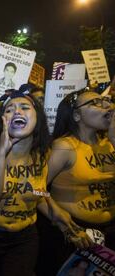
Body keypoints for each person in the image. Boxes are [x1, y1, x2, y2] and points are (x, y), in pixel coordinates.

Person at [0, 90, 75, 276]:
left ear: (37, 117)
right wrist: (2, 153)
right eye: (10, 109)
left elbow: (38, 190)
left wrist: (53, 208)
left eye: (25, 107)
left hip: (24, 238)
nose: (17, 112)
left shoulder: (43, 152)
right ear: (2, 119)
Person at [37, 89, 115, 275]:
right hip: (73, 234)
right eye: (95, 102)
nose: (106, 105)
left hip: (109, 234)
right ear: (76, 115)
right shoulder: (65, 147)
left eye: (105, 101)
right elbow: (35, 189)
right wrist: (65, 226)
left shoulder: (109, 144)